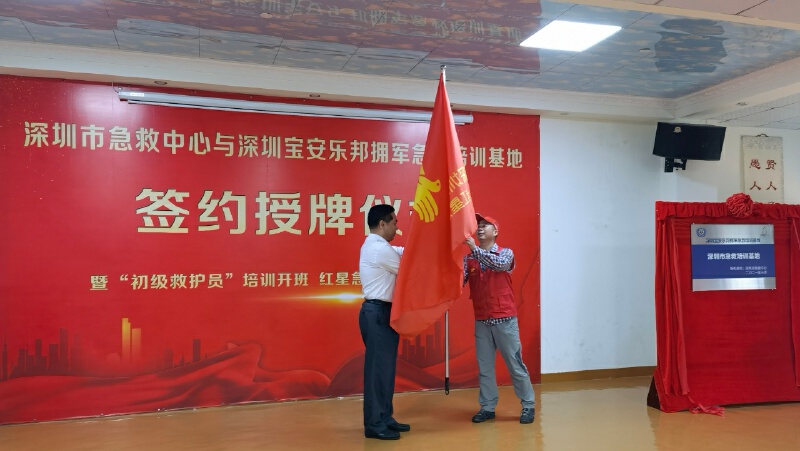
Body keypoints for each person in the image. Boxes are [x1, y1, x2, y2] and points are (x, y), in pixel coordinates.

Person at [464, 213, 535, 424]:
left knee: (515, 364)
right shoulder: (469, 259)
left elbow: (499, 265)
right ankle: (487, 407)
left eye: (485, 225)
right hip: (482, 321)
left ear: (495, 232)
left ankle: (528, 405)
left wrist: (474, 249)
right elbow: (457, 282)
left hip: (504, 319)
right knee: (484, 368)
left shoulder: (505, 254)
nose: (480, 228)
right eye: (478, 225)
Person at [358, 204, 411, 440]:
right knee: (378, 371)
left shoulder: (379, 246)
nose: (397, 227)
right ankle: (374, 424)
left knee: (386, 370)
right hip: (377, 313)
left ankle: (385, 416)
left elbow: (402, 250)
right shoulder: (379, 249)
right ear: (382, 224)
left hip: (382, 313)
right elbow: (408, 267)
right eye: (394, 222)